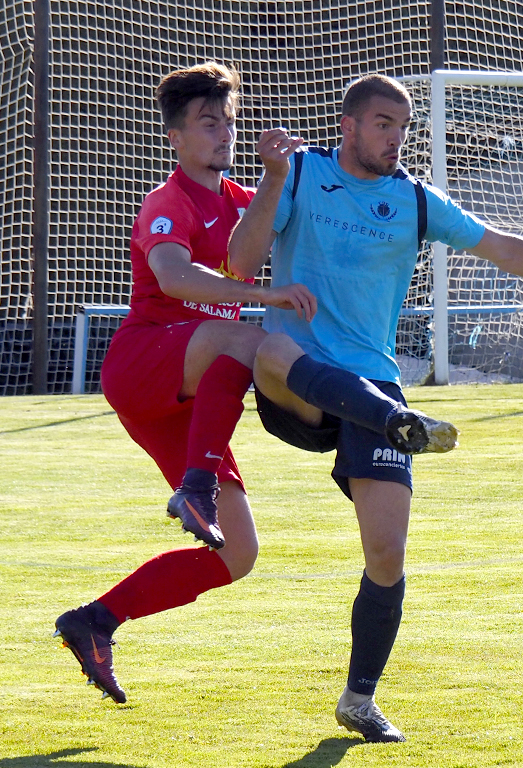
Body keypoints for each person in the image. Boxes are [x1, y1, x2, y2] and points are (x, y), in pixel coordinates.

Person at [228, 73, 523, 742]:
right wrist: (270, 178)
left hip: (375, 385)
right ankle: (394, 424)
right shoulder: (300, 175)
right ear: (348, 125)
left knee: (386, 555)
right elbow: (240, 263)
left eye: (403, 127)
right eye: (383, 124)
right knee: (268, 349)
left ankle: (359, 699)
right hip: (301, 387)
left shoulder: (414, 199)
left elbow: (503, 246)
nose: (396, 139)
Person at [50, 61, 325, 704]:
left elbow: (249, 256)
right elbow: (175, 278)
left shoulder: (241, 200)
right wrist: (265, 295)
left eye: (228, 121)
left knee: (238, 556)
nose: (224, 132)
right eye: (208, 123)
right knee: (249, 341)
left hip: (193, 399)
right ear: (175, 136)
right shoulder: (166, 202)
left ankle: (95, 621)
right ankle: (196, 489)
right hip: (145, 364)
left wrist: (279, 178)